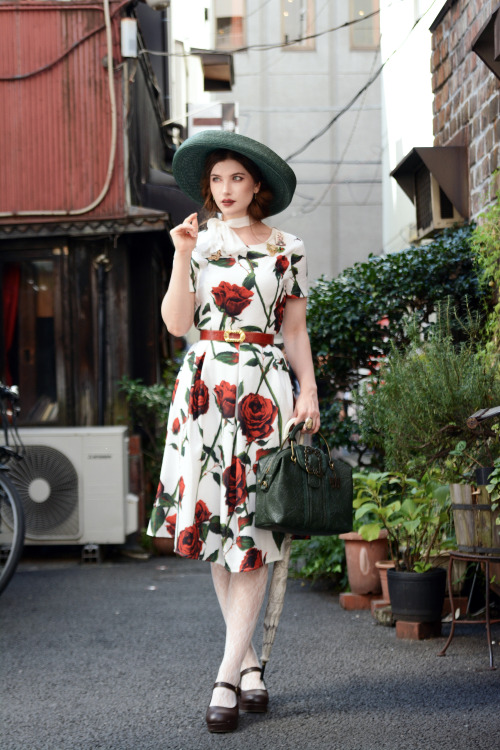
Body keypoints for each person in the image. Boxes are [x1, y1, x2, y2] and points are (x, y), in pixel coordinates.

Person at [147, 130, 320, 733]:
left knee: (252, 525)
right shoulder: (197, 241)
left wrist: (310, 390)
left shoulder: (286, 249)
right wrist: (179, 254)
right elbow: (176, 325)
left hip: (265, 390)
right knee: (219, 524)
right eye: (216, 180)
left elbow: (295, 333)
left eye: (236, 179)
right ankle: (247, 664)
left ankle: (224, 675)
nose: (225, 190)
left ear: (257, 186)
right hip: (203, 389)